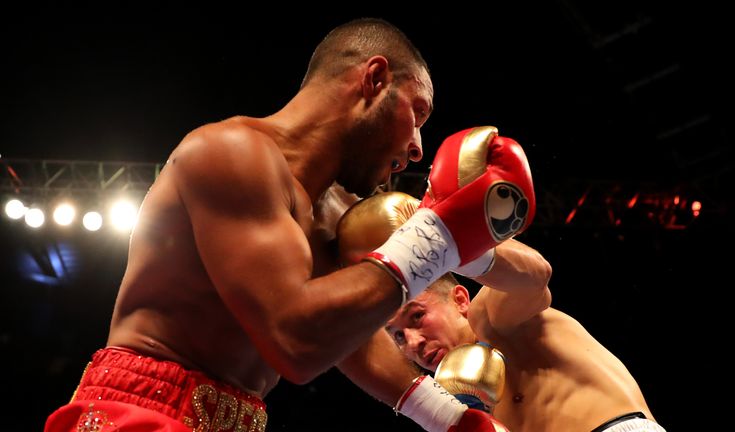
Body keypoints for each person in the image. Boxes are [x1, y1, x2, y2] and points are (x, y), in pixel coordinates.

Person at [45, 18, 534, 432]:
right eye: (418, 113)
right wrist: (440, 235)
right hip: (140, 408)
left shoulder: (339, 209)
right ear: (374, 79)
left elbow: (345, 335)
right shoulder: (231, 155)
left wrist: (449, 419)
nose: (417, 147)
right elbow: (294, 341)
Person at [337, 191, 666, 432]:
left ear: (461, 299)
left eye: (417, 316)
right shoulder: (462, 401)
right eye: (397, 336)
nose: (412, 343)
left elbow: (536, 276)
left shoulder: (491, 317)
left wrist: (449, 243)